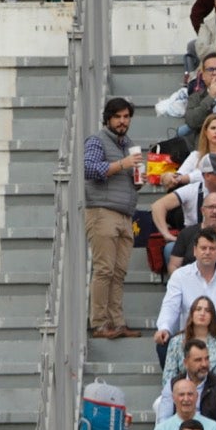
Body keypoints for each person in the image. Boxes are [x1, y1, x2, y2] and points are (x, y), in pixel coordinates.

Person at [81, 100, 143, 338]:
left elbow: (128, 183)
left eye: (126, 116)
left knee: (119, 272)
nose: (122, 121)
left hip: (125, 213)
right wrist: (122, 164)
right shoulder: (97, 140)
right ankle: (99, 324)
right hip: (102, 211)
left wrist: (138, 179)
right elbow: (89, 169)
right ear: (108, 119)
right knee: (104, 270)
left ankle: (117, 322)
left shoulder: (129, 145)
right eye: (117, 117)